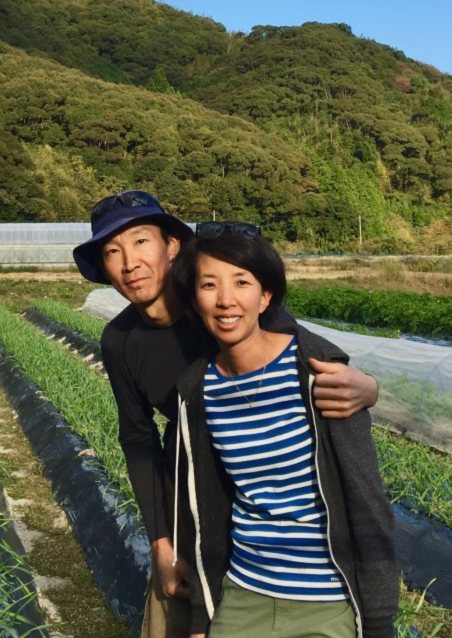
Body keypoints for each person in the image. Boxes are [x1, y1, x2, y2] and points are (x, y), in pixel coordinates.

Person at [72, 192, 378, 638]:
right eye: (112, 252)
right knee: (172, 621)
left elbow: (310, 355)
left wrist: (369, 388)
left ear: (172, 245)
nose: (129, 263)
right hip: (189, 500)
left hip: (257, 505)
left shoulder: (223, 306)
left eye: (140, 242)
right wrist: (161, 544)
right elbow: (138, 442)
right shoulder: (120, 340)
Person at [171, 223, 397, 638]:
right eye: (208, 284)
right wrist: (205, 616)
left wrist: (379, 620)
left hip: (327, 602)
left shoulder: (318, 375)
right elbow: (207, 509)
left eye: (242, 282)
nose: (225, 300)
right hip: (243, 595)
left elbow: (367, 499)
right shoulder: (198, 389)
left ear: (266, 295)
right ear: (194, 299)